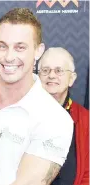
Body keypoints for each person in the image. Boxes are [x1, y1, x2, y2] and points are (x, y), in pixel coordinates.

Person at [0, 8, 74, 185]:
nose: (9, 57)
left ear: (38, 51)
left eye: (20, 47)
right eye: (2, 46)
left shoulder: (56, 120)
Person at [38, 47, 89, 185]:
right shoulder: (22, 112)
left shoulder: (86, 120)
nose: (52, 75)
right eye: (45, 70)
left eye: (59, 70)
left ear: (71, 78)